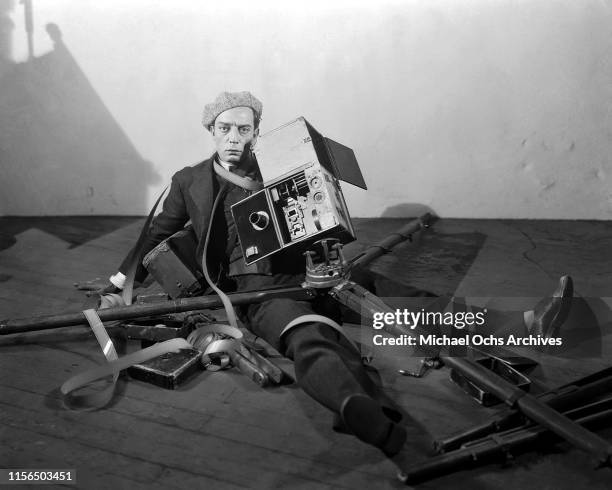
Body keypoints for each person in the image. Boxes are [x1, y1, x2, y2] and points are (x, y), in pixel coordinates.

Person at [76, 91, 575, 467]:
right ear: (210, 130)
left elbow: (318, 220)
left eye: (244, 130)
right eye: (225, 129)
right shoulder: (189, 181)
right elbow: (156, 233)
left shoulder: (282, 166)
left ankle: (528, 321)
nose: (234, 139)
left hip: (315, 271)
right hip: (261, 291)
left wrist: (328, 259)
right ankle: (357, 406)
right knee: (311, 338)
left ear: (257, 132)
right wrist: (119, 284)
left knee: (409, 299)